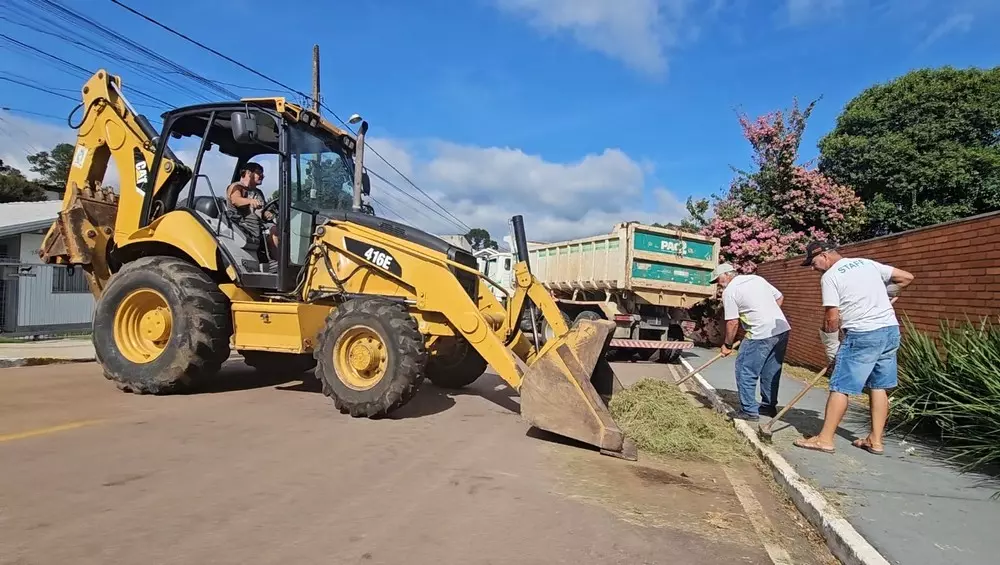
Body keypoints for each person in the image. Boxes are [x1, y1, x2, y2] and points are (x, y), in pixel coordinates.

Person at [793, 241, 914, 455]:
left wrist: (831, 344)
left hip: (862, 333)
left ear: (825, 256)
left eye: (813, 262)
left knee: (841, 386)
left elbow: (831, 317)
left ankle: (825, 439)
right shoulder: (866, 264)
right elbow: (906, 278)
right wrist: (885, 295)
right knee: (879, 386)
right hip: (889, 330)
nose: (813, 268)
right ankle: (875, 441)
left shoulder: (830, 277)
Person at [711, 263, 792, 421]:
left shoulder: (730, 291)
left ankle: (749, 411)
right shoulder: (757, 279)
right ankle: (768, 407)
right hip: (781, 329)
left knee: (745, 370)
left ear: (727, 274)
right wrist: (767, 318)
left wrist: (727, 345)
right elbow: (779, 297)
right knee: (771, 370)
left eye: (718, 280)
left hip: (759, 334)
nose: (718, 285)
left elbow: (732, 322)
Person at [226, 161, 278, 260]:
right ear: (249, 173)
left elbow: (261, 211)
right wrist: (250, 201)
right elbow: (236, 200)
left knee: (283, 229)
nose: (263, 176)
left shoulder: (258, 192)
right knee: (274, 230)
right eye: (259, 173)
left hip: (258, 224)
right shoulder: (236, 187)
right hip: (241, 224)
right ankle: (279, 263)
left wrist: (267, 214)